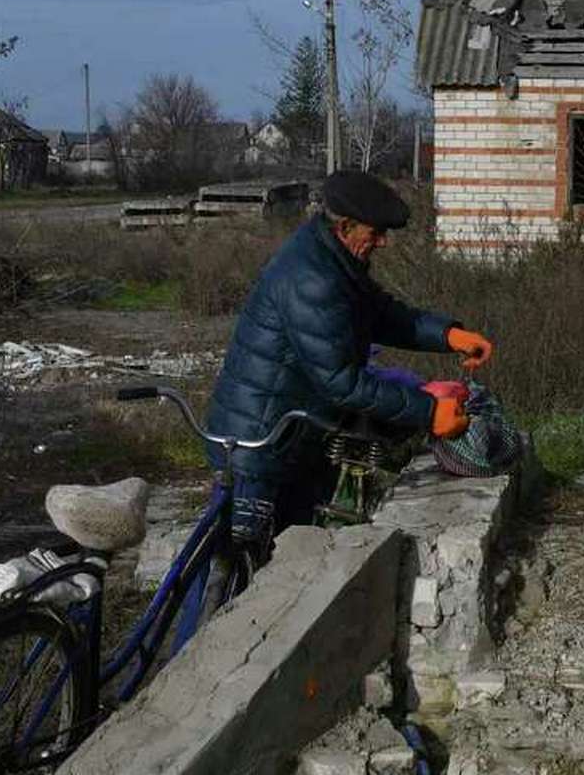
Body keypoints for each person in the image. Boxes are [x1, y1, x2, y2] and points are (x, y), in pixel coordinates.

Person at [204, 170, 494, 553]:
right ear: (345, 226)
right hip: (258, 447)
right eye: (374, 234)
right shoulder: (314, 278)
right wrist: (428, 412)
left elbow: (380, 314)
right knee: (234, 569)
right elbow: (342, 382)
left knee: (291, 557)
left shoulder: (332, 258)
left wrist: (447, 335)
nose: (383, 243)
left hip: (291, 436)